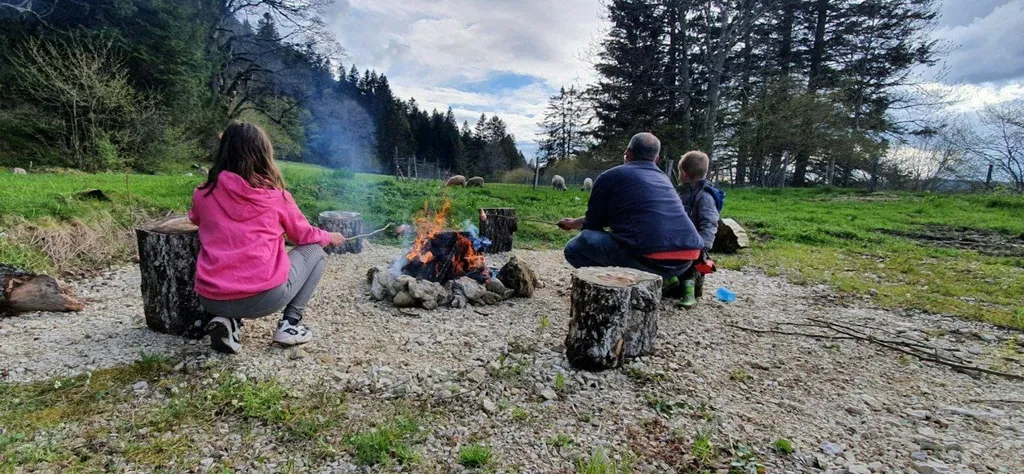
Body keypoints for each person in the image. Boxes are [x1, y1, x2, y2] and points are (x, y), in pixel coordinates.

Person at [188, 121, 345, 354]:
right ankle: (290, 325)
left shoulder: (203, 194)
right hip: (263, 299)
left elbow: (194, 218)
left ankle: (228, 321)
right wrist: (329, 236)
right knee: (316, 252)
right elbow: (304, 235)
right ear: (263, 155)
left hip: (210, 298)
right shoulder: (276, 197)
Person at [558, 132, 704, 280]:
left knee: (575, 247)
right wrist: (574, 223)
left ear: (627, 154)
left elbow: (593, 225)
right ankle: (664, 281)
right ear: (656, 159)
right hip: (686, 258)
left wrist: (585, 226)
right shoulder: (664, 178)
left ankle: (619, 282)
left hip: (651, 258)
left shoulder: (609, 177)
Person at [675, 150, 720, 308]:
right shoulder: (683, 193)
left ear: (684, 174)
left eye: (679, 171)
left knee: (690, 263)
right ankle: (672, 282)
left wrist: (704, 244)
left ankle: (689, 293)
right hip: (681, 237)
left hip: (696, 241)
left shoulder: (704, 196)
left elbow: (710, 222)